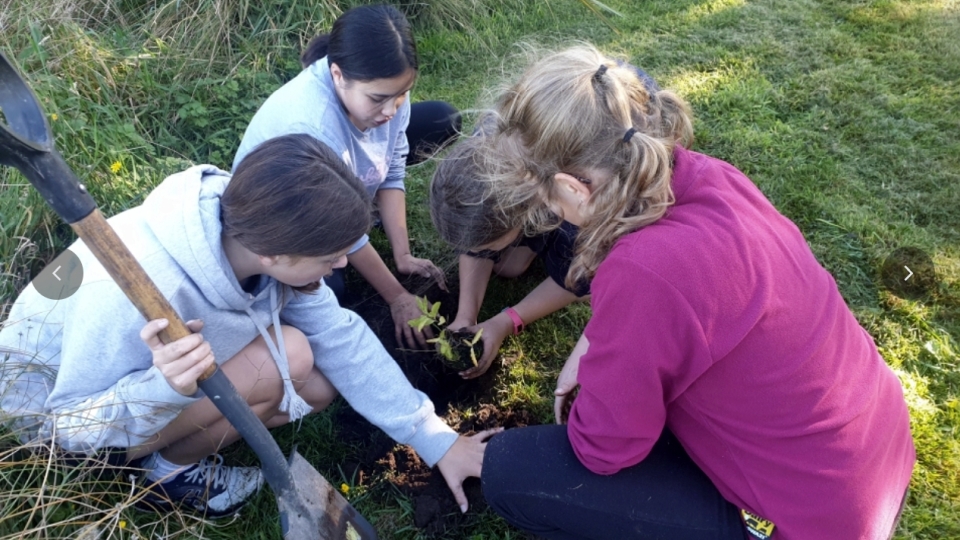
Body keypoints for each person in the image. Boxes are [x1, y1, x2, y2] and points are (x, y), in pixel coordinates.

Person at [473, 45, 915, 539]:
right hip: (872, 454)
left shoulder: (643, 270)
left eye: (542, 198)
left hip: (824, 519)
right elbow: (695, 307)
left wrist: (606, 379)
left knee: (511, 472)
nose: (547, 212)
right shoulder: (706, 175)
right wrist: (603, 343)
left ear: (575, 190)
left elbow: (606, 447)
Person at [0, 134, 494, 518]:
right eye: (330, 256)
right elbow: (72, 427)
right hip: (56, 427)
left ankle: (169, 452)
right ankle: (164, 475)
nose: (344, 264)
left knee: (316, 381)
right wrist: (164, 387)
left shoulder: (255, 236)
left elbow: (341, 338)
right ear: (274, 255)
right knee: (292, 357)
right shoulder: (142, 289)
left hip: (116, 398)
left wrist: (436, 439)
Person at [234, 4, 461, 349]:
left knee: (443, 118)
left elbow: (393, 165)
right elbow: (337, 220)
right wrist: (397, 297)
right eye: (378, 99)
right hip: (290, 213)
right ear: (338, 75)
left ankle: (368, 206)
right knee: (333, 288)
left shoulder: (389, 91)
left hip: (341, 182)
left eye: (401, 95)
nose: (391, 110)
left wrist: (402, 254)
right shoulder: (310, 126)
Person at [429, 64, 660, 379]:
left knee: (536, 260)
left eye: (486, 247)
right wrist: (465, 315)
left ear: (528, 210)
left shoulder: (583, 202)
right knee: (509, 267)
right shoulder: (487, 147)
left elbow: (577, 278)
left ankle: (533, 246)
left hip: (619, 113)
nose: (479, 252)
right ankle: (524, 249)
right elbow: (477, 232)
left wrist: (504, 322)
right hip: (574, 112)